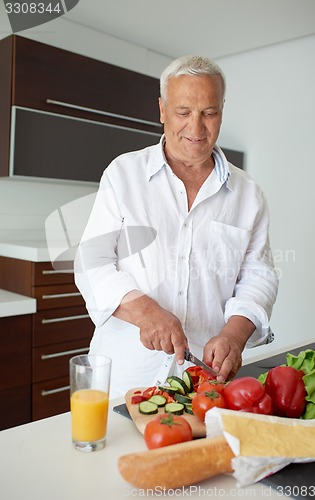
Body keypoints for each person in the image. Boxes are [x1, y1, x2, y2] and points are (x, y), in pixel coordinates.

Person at [74, 55, 278, 398]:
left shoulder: (249, 195)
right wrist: (146, 311)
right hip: (124, 376)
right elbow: (91, 263)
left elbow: (259, 275)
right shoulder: (123, 175)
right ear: (162, 109)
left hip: (203, 382)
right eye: (183, 112)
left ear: (222, 110)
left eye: (209, 113)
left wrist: (234, 335)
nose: (196, 129)